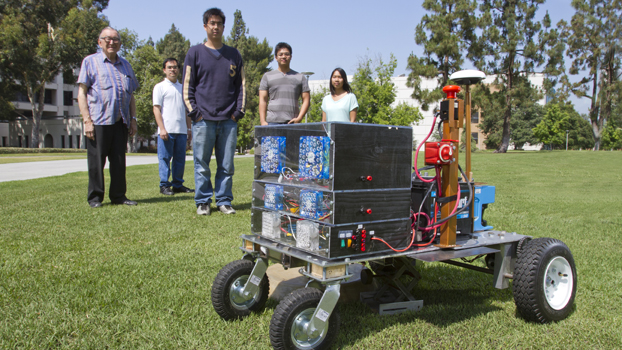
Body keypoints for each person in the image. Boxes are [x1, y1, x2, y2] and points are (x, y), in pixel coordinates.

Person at [182, 8, 245, 216]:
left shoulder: (234, 54)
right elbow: (187, 88)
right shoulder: (194, 53)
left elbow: (241, 86)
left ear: (223, 27)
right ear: (205, 26)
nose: (215, 26)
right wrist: (195, 114)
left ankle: (224, 200)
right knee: (201, 164)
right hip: (203, 120)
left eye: (219, 23)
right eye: (212, 23)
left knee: (226, 165)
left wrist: (238, 113)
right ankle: (203, 201)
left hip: (228, 120)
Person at [77, 27, 139, 208]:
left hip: (121, 121)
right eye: (107, 39)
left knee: (119, 162)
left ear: (120, 43)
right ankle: (95, 198)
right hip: (98, 121)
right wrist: (87, 120)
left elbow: (131, 96)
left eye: (115, 39)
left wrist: (133, 119)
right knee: (97, 162)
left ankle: (119, 196)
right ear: (100, 42)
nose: (112, 42)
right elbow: (81, 93)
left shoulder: (126, 65)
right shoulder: (90, 62)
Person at [153, 58, 194, 196]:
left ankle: (177, 184)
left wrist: (189, 129)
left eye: (175, 67)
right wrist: (162, 128)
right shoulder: (160, 87)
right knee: (165, 158)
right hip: (166, 130)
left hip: (181, 131)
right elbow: (156, 109)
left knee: (179, 159)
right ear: (164, 70)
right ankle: (164, 185)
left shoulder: (183, 88)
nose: (173, 70)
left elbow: (187, 111)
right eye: (169, 67)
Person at [259, 42, 310, 125]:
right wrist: (262, 121)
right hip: (272, 123)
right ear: (276, 57)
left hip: (292, 123)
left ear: (291, 57)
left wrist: (299, 118)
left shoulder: (300, 77)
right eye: (280, 54)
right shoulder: (267, 76)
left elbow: (306, 100)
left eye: (287, 54)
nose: (284, 56)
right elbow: (262, 100)